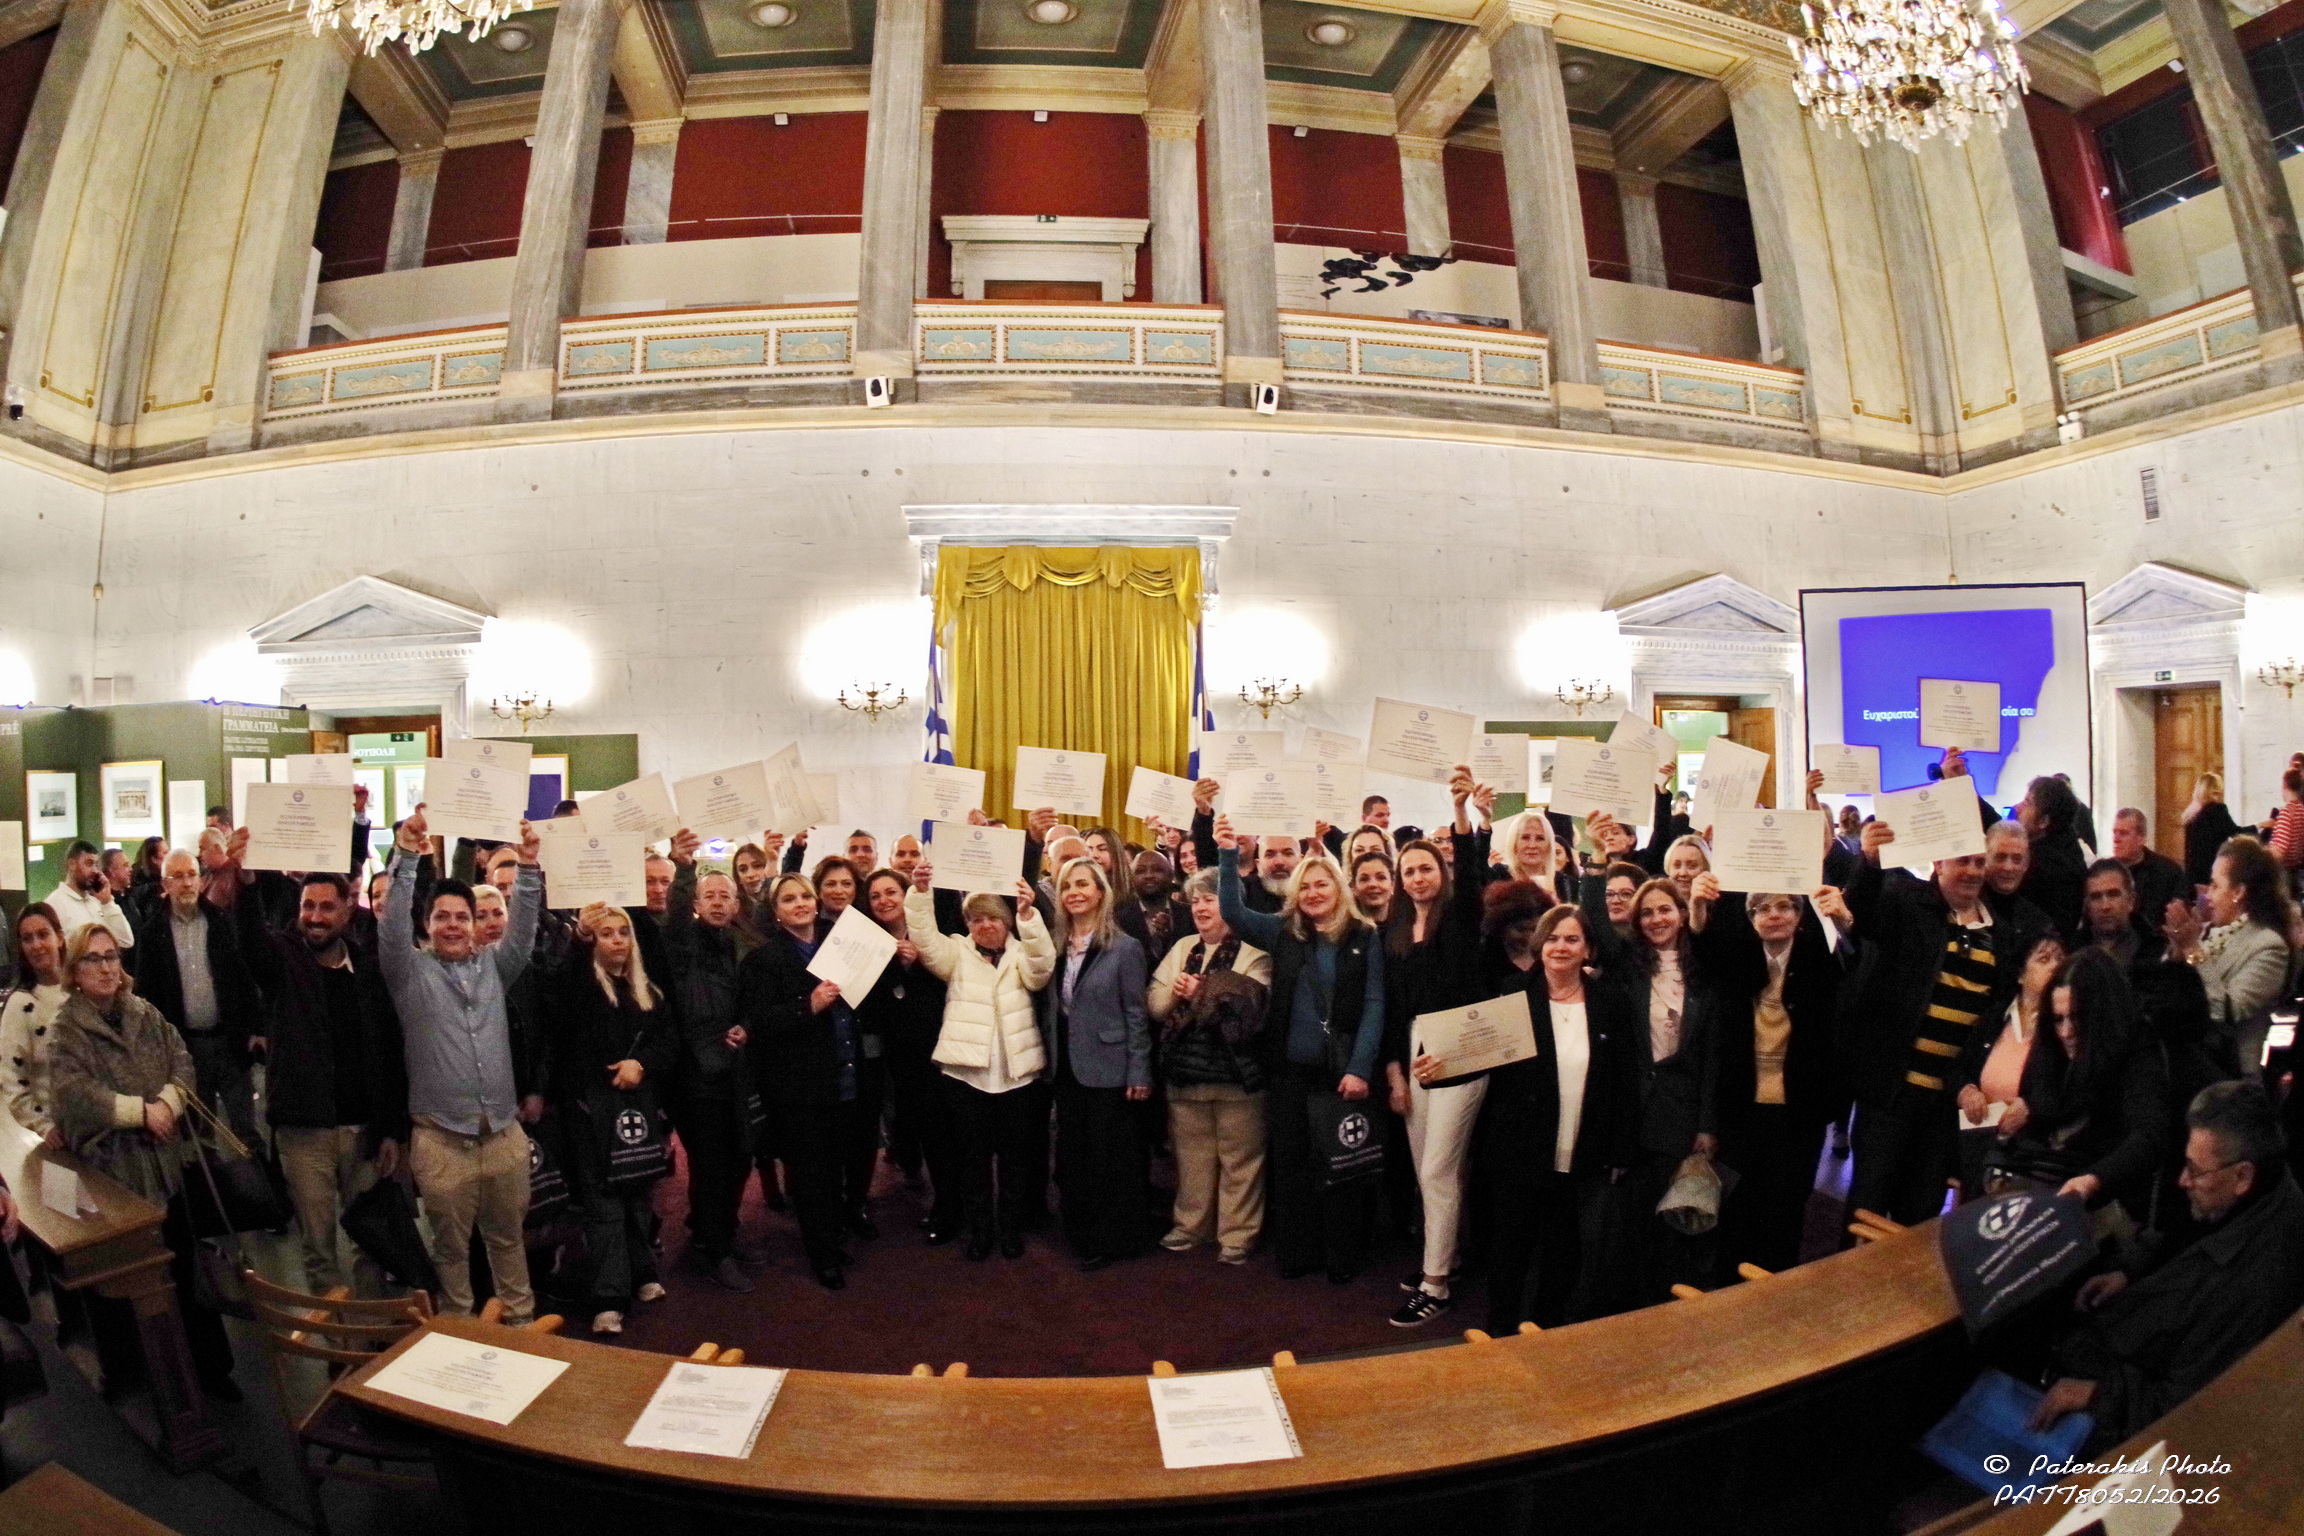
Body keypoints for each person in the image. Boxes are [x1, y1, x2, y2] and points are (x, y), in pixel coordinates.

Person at [2032, 1081, 2304, 1447]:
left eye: (2196, 1170)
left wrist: (2097, 1394)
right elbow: (2180, 1239)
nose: (2182, 1180)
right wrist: (2130, 1273)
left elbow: (2193, 1408)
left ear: (2242, 1176)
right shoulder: (2261, 1194)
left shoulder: (2254, 1284)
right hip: (2134, 1340)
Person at [49, 924, 236, 1398]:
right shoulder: (67, 1030)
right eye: (92, 958)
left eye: (111, 956)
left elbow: (182, 1061)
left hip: (167, 1169)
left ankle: (211, 1372)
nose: (106, 967)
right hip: (117, 1180)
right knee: (133, 1291)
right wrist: (139, 1113)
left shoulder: (144, 1012)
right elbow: (74, 1095)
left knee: (186, 1272)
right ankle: (153, 1386)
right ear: (74, 970)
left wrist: (168, 1105)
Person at [1437, 900, 1638, 1332]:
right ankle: (1501, 1329)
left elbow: (1624, 1079)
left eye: (1572, 939)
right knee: (1510, 1246)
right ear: (1539, 945)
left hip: (1581, 1146)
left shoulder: (1611, 1002)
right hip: (1518, 1147)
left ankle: (1549, 1327)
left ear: (1588, 949)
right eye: (1552, 938)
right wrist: (1437, 1067)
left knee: (1563, 1248)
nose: (1560, 946)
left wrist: (1621, 1147)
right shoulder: (1512, 995)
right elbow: (1477, 1058)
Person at [379, 807, 544, 1324]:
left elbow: (523, 930)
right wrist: (406, 856)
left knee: (510, 1244)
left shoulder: (497, 967)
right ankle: (458, 1339)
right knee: (450, 1256)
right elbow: (391, 927)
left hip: (503, 1137)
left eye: (461, 917)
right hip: (441, 1142)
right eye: (442, 917)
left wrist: (530, 867)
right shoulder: (407, 973)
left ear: (475, 926)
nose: (452, 925)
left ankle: (521, 1330)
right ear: (427, 926)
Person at [1216, 820, 1386, 1283]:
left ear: (1338, 888)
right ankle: (1298, 1253)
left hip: (1341, 1072)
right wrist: (1228, 853)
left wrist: (1360, 1068)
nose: (1313, 893)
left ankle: (1342, 1256)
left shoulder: (1364, 935)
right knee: (1292, 1165)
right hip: (1289, 1071)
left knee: (1342, 1166)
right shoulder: (1282, 932)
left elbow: (1375, 1005)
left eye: (1321, 884)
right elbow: (1232, 911)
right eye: (1305, 886)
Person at [233, 860, 408, 1298]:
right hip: (304, 1134)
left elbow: (387, 1053)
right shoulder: (284, 962)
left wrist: (391, 1130)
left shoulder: (366, 970)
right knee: (318, 1247)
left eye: (326, 907)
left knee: (371, 1240)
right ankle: (334, 1332)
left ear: (348, 909)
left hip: (363, 1133)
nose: (314, 916)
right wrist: (247, 884)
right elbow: (251, 942)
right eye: (307, 906)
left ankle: (372, 1327)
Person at [1843, 815, 2021, 1227]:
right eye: (1962, 861)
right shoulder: (1907, 903)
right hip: (1891, 1093)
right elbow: (1860, 914)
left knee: (1921, 1217)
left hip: (1945, 1107)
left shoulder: (2001, 934)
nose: (1972, 871)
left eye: (1979, 862)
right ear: (1939, 863)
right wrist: (1868, 863)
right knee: (1866, 1207)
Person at [1378, 770, 1494, 1325]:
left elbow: (1472, 873)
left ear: (1440, 872)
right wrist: (1395, 1074)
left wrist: (1461, 811)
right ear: (1400, 880)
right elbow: (1393, 1008)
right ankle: (1443, 1257)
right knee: (1426, 1167)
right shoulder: (1395, 930)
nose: (1418, 877)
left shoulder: (1460, 916)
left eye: (1426, 868)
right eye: (1409, 871)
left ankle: (1436, 1285)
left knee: (1438, 1170)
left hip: (1463, 1048)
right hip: (1415, 1050)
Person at [904, 863, 1054, 1260]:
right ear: (967, 924)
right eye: (976, 919)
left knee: (1015, 1161)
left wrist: (1029, 917)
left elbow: (1041, 972)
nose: (985, 925)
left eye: (993, 918)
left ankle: (1010, 1229)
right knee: (972, 1160)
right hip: (965, 1077)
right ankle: (981, 1231)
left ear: (1007, 921)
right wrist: (920, 893)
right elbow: (925, 938)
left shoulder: (1022, 953)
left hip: (1017, 1077)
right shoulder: (956, 953)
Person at [1703, 886, 1852, 1277]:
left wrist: (1844, 921)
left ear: (1800, 916)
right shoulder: (1737, 961)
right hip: (1743, 1107)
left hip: (1799, 1110)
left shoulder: (1818, 961)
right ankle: (1732, 1290)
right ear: (1750, 918)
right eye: (1763, 908)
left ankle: (1777, 1287)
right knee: (1738, 1205)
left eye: (1785, 906)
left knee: (1786, 1207)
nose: (1774, 914)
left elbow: (1856, 967)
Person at [549, 904, 676, 1335]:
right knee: (604, 1204)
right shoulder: (582, 986)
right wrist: (579, 938)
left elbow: (668, 1041)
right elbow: (565, 1008)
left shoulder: (647, 990)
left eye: (623, 932)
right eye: (607, 933)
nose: (618, 940)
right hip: (592, 1111)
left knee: (639, 1194)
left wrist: (641, 1063)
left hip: (638, 1107)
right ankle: (608, 1297)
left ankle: (643, 1272)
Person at [739, 872, 870, 1289]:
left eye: (805, 896)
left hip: (847, 1072)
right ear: (776, 912)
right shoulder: (763, 960)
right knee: (812, 1175)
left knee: (839, 1166)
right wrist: (807, 1005)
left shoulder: (839, 944)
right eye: (789, 899)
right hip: (800, 1086)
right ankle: (822, 1253)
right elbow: (760, 1023)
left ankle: (834, 1236)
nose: (800, 904)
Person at [1987, 949, 2172, 1218]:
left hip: (2109, 1202)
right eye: (2058, 1019)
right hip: (2045, 1189)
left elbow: (2148, 1137)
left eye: (2076, 1018)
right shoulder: (2050, 1048)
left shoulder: (2139, 1048)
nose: (2065, 1032)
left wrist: (2093, 1180)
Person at [1150, 867, 1273, 1264]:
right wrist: (1197, 994)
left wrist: (1200, 992)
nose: (1201, 907)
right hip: (1185, 1074)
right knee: (1191, 1158)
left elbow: (1251, 1012)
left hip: (1238, 1078)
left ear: (1233, 905)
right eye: (1196, 900)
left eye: (1211, 899)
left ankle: (1237, 1235)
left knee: (1242, 1161)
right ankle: (1191, 1226)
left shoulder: (1256, 952)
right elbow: (1155, 1004)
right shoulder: (1182, 947)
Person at [661, 835, 762, 1293]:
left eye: (726, 896)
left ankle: (720, 1231)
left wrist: (746, 1026)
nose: (718, 902)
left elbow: (750, 1000)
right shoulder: (683, 945)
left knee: (739, 1159)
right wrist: (684, 871)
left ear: (736, 904)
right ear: (698, 905)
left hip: (734, 1070)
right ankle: (714, 1249)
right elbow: (675, 920)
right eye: (710, 896)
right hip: (696, 1074)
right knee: (710, 1166)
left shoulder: (742, 945)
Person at [1043, 857, 1153, 1271]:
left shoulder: (1125, 947)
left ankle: (1114, 1239)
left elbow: (1137, 1014)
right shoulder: (1055, 945)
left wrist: (1139, 1070)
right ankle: (1081, 1232)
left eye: (1083, 884)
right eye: (1067, 885)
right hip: (1066, 1067)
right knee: (1074, 1155)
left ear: (1101, 892)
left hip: (1112, 1067)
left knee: (1110, 1158)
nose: (1074, 892)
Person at [853, 868, 956, 1239]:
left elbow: (948, 988)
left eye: (891, 892)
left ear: (905, 894)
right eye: (875, 896)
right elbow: (872, 1009)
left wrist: (916, 967)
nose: (884, 901)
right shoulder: (869, 946)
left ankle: (950, 1209)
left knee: (943, 1135)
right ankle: (943, 1202)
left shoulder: (929, 932)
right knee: (922, 1132)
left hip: (937, 1051)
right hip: (899, 1056)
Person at [131, 850, 261, 1140]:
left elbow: (243, 977)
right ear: (165, 884)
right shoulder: (152, 933)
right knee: (198, 1130)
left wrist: (255, 1026)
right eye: (178, 876)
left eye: (192, 874)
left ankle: (254, 1168)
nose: (187, 883)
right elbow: (147, 993)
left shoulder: (220, 921)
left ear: (201, 880)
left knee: (245, 1125)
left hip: (229, 1040)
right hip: (185, 1047)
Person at [2163, 836, 2295, 1082]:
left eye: (2215, 885)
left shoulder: (2269, 945)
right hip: (2189, 1063)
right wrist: (2178, 949)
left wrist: (2192, 948)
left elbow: (2225, 1011)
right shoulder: (2208, 931)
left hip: (2231, 1078)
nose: (2207, 895)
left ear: (2238, 892)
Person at [1956, 932, 2064, 1200]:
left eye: (2061, 960)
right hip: (1979, 1146)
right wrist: (1966, 1090)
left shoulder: (2064, 1027)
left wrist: (2032, 1106)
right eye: (2044, 959)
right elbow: (1960, 1069)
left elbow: (2069, 1088)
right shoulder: (1996, 1016)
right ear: (2021, 975)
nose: (2055, 966)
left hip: (2032, 1158)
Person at [1, 904, 68, 1145]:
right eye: (27, 939)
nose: (36, 945)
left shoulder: (81, 991)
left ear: (60, 937)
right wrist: (43, 1126)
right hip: (59, 1136)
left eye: (43, 934)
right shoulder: (20, 1005)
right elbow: (10, 1078)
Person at [2016, 775, 2092, 938]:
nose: (2018, 808)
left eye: (2027, 803)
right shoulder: (2068, 848)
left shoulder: (2042, 864)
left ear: (2043, 821)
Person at [46, 841, 134, 954]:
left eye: (96, 865)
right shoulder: (54, 904)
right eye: (89, 863)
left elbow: (126, 941)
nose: (95, 870)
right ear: (72, 864)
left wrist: (107, 903)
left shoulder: (96, 902)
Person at [2078, 860, 2165, 972]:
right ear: (2087, 906)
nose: (2105, 906)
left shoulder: (2157, 953)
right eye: (2096, 897)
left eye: (2113, 895)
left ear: (2131, 901)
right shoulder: (2071, 953)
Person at [2109, 809, 2187, 929]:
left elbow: (2178, 916)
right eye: (2115, 832)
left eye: (2123, 833)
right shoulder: (2106, 872)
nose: (2116, 839)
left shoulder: (2169, 872)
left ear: (2141, 838)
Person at [1115, 849, 1190, 968]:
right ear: (1131, 878)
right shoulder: (1118, 921)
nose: (1149, 875)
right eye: (1140, 871)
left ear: (1171, 875)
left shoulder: (1190, 915)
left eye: (1157, 869)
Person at [2180, 772, 2241, 890]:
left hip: (2193, 873)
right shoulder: (2217, 810)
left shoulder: (2192, 813)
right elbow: (2235, 832)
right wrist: (2259, 826)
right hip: (2210, 870)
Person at [2269, 768, 2304, 873]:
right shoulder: (2301, 810)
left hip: (2284, 871)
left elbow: (2280, 850)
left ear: (2285, 785)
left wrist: (2263, 855)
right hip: (2297, 867)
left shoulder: (2287, 812)